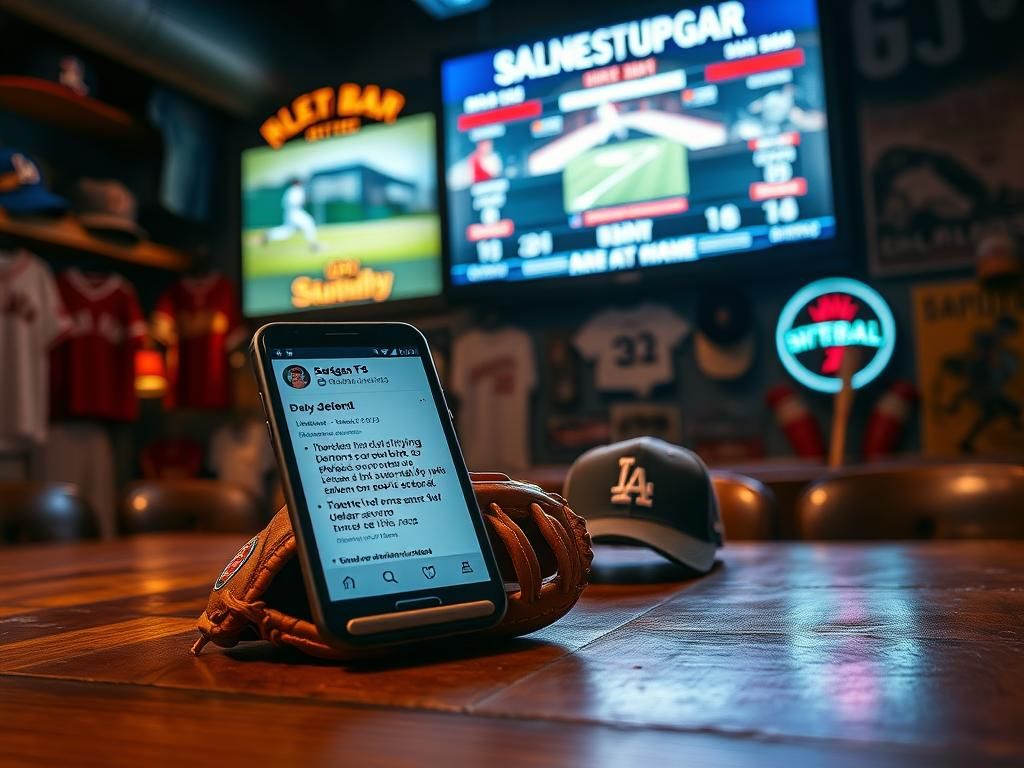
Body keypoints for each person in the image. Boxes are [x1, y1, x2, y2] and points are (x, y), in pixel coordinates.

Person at [262, 178, 319, 251]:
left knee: (287, 231)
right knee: (309, 223)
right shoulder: (296, 190)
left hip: (289, 213)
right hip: (295, 212)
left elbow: (284, 203)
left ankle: (269, 234)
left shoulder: (289, 190)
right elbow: (295, 202)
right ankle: (313, 245)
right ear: (297, 183)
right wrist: (305, 200)